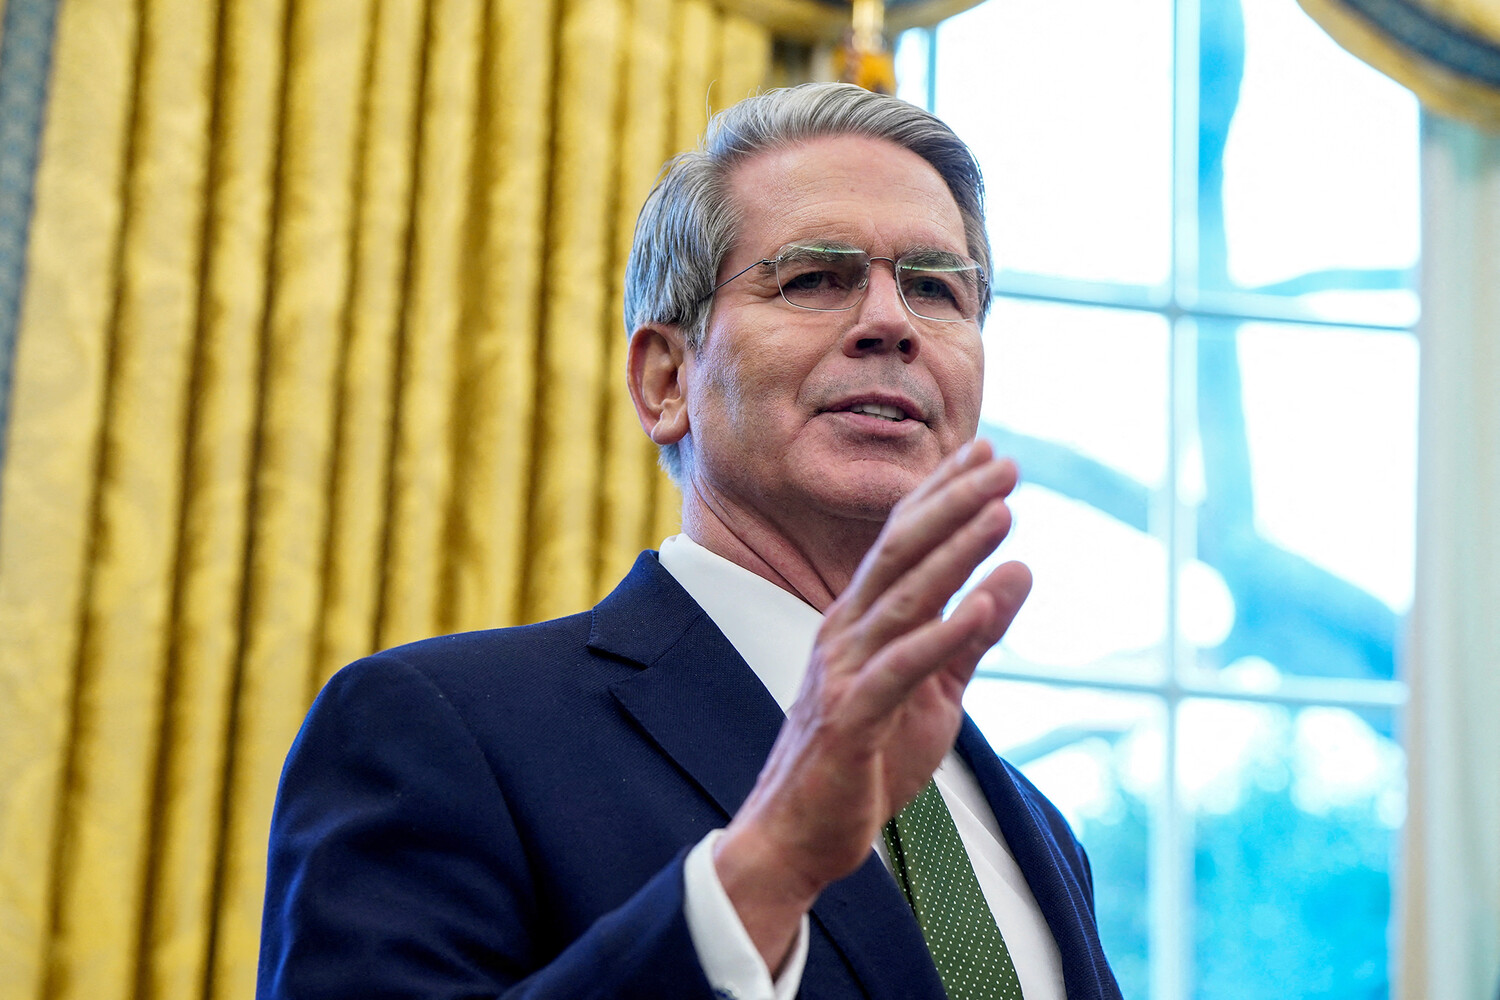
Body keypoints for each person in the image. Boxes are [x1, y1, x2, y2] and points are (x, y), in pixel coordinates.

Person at [257, 82, 1123, 1000]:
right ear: (667, 380)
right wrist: (770, 864)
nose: (891, 323)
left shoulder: (1040, 832)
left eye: (936, 288)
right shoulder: (434, 730)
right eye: (814, 279)